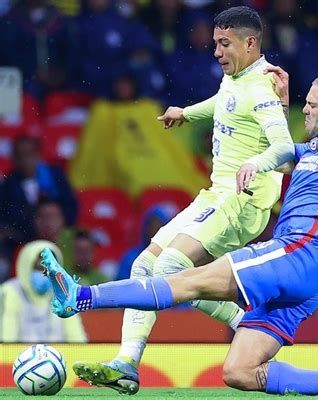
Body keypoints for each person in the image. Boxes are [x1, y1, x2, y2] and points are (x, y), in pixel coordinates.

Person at [43, 70, 318, 396]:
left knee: (182, 278)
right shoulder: (316, 149)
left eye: (310, 104)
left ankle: (81, 297)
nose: (303, 109)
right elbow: (286, 154)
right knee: (239, 374)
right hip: (306, 276)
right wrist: (282, 99)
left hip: (295, 253)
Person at [69, 6, 294, 395]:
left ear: (250, 42)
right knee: (144, 264)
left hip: (243, 202)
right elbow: (223, 103)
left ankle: (250, 325)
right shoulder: (236, 78)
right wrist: (185, 113)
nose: (216, 52)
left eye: (224, 44)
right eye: (215, 44)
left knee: (173, 266)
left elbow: (285, 148)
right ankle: (126, 363)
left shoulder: (262, 90)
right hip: (216, 195)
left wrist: (256, 163)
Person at [0, 240, 86, 342]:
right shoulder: (10, 291)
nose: (44, 274)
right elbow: (7, 340)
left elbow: (77, 339)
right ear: (26, 267)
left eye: (49, 270)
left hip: (58, 356)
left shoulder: (65, 293)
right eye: (39, 268)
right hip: (19, 356)